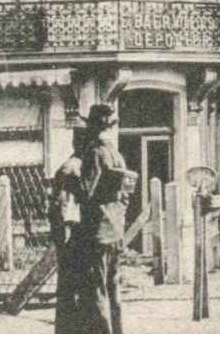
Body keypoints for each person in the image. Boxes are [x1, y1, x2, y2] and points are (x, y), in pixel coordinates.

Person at [48, 104, 135, 334]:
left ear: (93, 126)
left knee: (96, 292)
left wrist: (70, 180)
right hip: (115, 232)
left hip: (96, 232)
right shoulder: (117, 154)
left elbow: (86, 192)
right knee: (113, 290)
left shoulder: (95, 153)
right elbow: (126, 195)